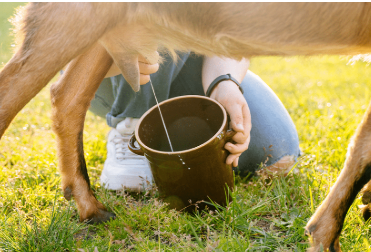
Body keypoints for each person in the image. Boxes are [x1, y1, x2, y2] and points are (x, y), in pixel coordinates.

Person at [88, 51, 301, 191]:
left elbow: (229, 27)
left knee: (277, 150)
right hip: (107, 65)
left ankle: (163, 127)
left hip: (188, 63)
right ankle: (130, 125)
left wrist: (223, 82)